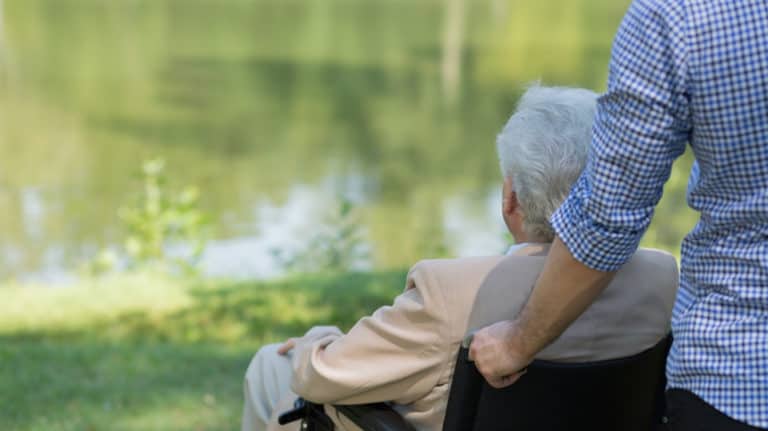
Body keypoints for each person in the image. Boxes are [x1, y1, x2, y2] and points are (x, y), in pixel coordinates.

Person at [241, 85, 679, 431]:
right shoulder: (659, 278)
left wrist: (315, 338)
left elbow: (321, 376)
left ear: (511, 199)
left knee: (270, 366)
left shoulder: (452, 293)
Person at [469, 1, 768, 430]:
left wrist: (518, 342)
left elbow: (609, 215)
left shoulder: (682, 17)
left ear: (509, 198)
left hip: (740, 376)